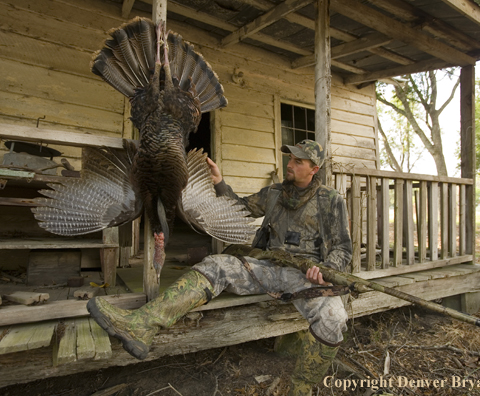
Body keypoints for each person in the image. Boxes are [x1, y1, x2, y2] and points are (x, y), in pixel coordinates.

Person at [87, 139, 352, 396]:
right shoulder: (274, 192)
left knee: (334, 319)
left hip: (306, 277)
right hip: (268, 268)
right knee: (217, 265)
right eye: (290, 158)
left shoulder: (331, 200)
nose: (290, 164)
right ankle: (141, 324)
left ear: (314, 169)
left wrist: (326, 269)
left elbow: (342, 247)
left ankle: (302, 387)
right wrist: (219, 182)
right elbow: (241, 208)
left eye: (298, 161)